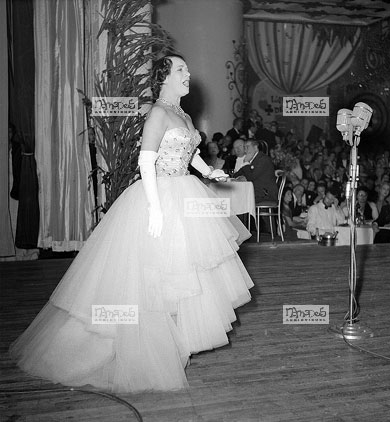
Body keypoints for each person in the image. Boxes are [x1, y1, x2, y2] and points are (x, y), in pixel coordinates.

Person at [9, 54, 254, 393]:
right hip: (160, 196)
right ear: (164, 77)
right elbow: (146, 159)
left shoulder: (181, 113)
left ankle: (171, 346)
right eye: (181, 69)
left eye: (186, 69)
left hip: (184, 191)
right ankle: (135, 350)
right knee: (152, 278)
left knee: (182, 276)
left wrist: (209, 170)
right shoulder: (157, 112)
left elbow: (189, 150)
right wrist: (154, 208)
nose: (188, 74)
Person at [234, 139, 278, 204]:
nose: (245, 150)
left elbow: (251, 177)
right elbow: (237, 174)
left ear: (255, 147)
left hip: (265, 195)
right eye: (244, 148)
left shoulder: (263, 159)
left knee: (237, 199)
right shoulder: (252, 160)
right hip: (256, 192)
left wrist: (246, 163)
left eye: (247, 147)